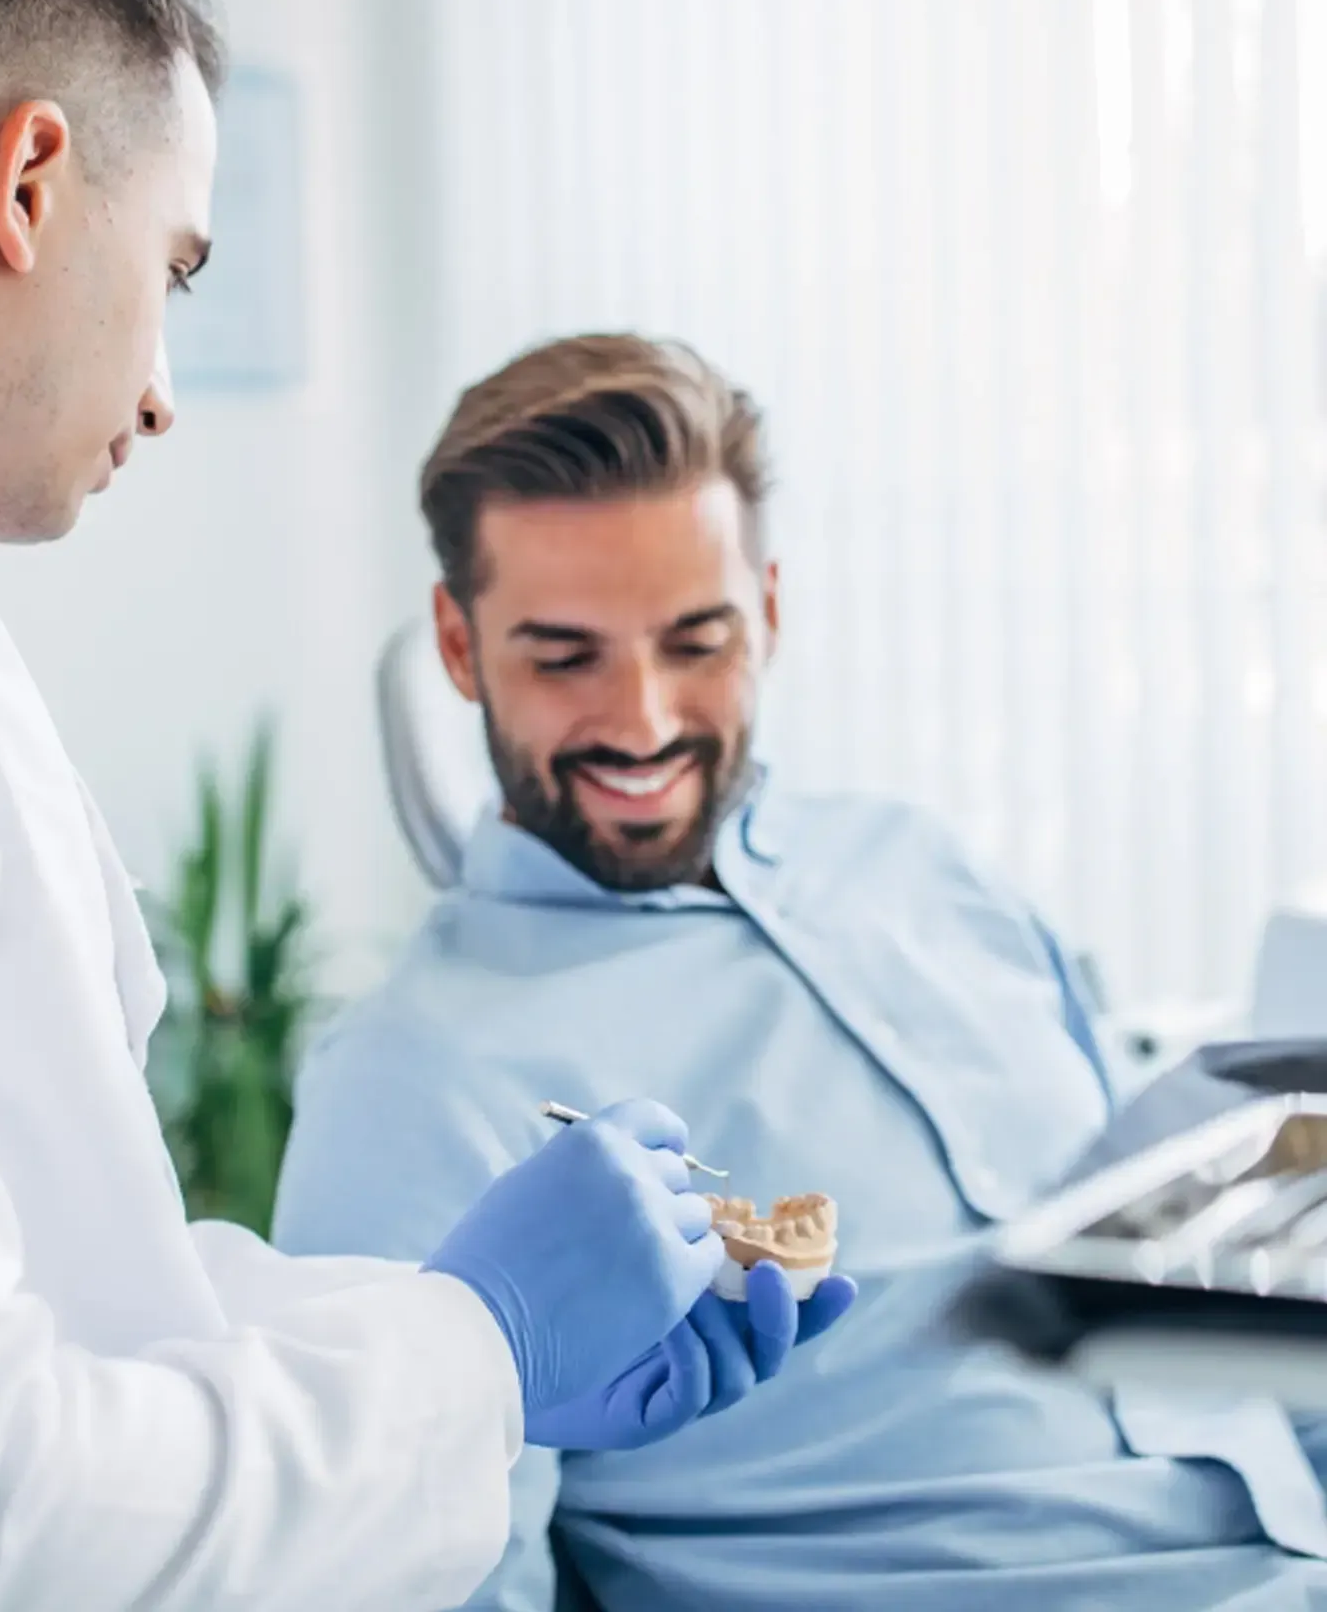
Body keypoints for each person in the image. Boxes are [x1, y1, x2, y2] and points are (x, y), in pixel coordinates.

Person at [0, 0, 843, 1612]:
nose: (164, 394)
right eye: (176, 267)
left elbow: (71, 1309)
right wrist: (477, 1344)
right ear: (29, 180)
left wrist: (471, 1360)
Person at [274, 331, 1327, 1611]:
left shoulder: (926, 871)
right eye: (564, 656)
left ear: (767, 610)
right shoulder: (411, 1083)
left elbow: (1189, 1266)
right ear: (458, 644)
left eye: (695, 641)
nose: (644, 721)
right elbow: (432, 1581)